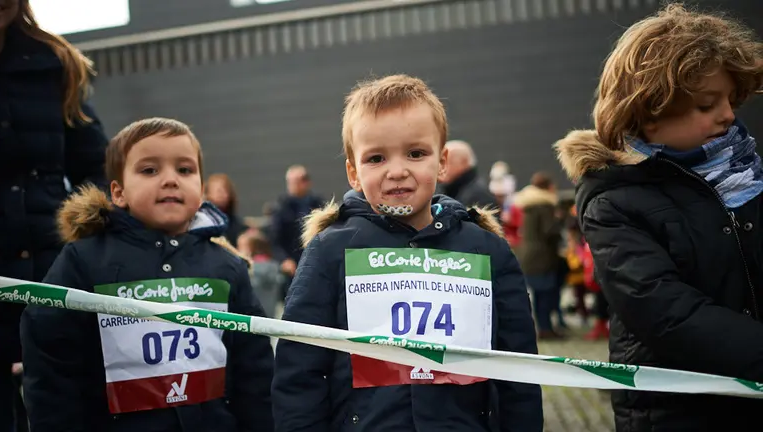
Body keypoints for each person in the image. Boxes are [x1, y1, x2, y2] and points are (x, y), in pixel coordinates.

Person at [272, 74, 542, 431]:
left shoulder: (486, 249)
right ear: (353, 172)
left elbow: (518, 371)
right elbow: (299, 373)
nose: (397, 171)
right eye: (376, 158)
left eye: (416, 153)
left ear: (442, 161)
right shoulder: (329, 250)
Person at [555, 4, 763, 431]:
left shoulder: (748, 173)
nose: (728, 114)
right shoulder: (613, 199)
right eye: (707, 104)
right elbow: (666, 313)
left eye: (730, 98)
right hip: (679, 412)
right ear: (649, 110)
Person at [19, 118, 274, 431]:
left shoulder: (227, 266)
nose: (170, 180)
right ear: (118, 192)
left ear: (201, 187)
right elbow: (51, 361)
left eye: (185, 170)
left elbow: (255, 372)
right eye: (149, 170)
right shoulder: (82, 262)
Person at [0, 1, 109, 429]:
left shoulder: (57, 63)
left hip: (51, 272)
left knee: (64, 409)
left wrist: (92, 232)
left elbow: (96, 165)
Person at [512, 172, 565, 339]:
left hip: (528, 255)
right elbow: (549, 230)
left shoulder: (528, 206)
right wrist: (559, 222)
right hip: (542, 257)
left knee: (538, 295)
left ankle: (543, 327)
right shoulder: (545, 206)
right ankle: (546, 328)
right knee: (546, 295)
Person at [270, 165, 323, 291]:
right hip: (292, 264)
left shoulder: (318, 203)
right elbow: (274, 239)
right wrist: (284, 260)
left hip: (317, 260)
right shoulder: (281, 207)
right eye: (294, 181)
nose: (299, 184)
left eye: (303, 179)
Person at [440, 140, 499, 209]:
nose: (442, 167)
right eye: (442, 162)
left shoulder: (479, 197)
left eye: (449, 162)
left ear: (464, 162)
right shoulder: (454, 191)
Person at [205, 173, 249, 247]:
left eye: (225, 190)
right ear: (208, 194)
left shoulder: (238, 226)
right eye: (218, 191)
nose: (222, 194)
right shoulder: (204, 223)